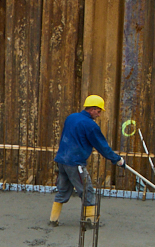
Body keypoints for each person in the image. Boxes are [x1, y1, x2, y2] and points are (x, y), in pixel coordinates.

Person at [52, 94, 126, 226]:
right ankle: (89, 221)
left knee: (62, 190)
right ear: (92, 109)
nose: (99, 115)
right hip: (75, 163)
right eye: (98, 111)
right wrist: (117, 160)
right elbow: (101, 146)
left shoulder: (71, 117)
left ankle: (53, 220)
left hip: (61, 160)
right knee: (87, 191)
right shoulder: (90, 125)